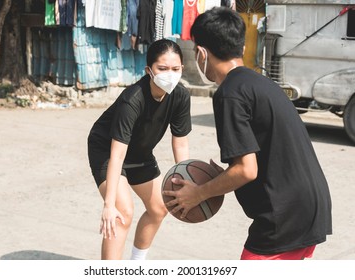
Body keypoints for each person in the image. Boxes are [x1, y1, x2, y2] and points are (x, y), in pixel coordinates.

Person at [163, 7, 332, 260]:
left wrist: (198, 193)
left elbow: (246, 169)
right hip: (310, 208)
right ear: (241, 48)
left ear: (200, 54)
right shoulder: (260, 83)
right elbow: (262, 161)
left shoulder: (230, 93)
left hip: (283, 219)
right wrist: (222, 179)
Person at [87, 39, 191, 260]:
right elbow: (117, 154)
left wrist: (185, 178)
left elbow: (180, 142)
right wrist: (108, 205)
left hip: (140, 152)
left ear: (182, 68)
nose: (169, 74)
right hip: (107, 150)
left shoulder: (181, 96)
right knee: (122, 212)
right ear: (149, 70)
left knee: (159, 208)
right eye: (162, 69)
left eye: (175, 69)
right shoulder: (132, 99)